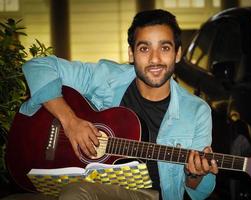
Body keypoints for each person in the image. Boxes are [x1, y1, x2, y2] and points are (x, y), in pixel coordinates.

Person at [3, 9, 218, 200]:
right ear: (131, 54)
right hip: (81, 177)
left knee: (76, 194)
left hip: (145, 193)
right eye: (144, 49)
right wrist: (70, 121)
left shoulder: (197, 112)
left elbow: (198, 191)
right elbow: (38, 66)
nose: (155, 59)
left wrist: (194, 174)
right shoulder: (107, 77)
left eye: (165, 48)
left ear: (177, 54)